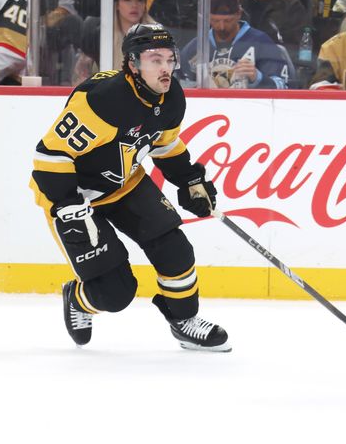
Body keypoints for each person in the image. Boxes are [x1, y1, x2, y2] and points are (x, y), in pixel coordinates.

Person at [30, 24, 231, 352]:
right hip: (76, 197)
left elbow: (164, 145)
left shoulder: (171, 96)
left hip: (126, 184)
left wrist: (190, 180)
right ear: (133, 64)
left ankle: (183, 320)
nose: (165, 68)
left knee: (175, 249)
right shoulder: (104, 100)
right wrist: (66, 202)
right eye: (155, 60)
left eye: (169, 59)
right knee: (115, 293)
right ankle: (79, 300)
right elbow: (51, 153)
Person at [179, 0, 292, 89]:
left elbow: (283, 86)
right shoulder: (197, 47)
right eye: (216, 21)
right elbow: (179, 83)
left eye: (227, 21)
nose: (221, 27)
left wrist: (257, 77)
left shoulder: (260, 43)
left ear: (239, 14)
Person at [75, 0, 157, 83]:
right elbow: (81, 75)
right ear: (117, 5)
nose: (134, 5)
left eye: (140, 0)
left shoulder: (156, 35)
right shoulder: (99, 35)